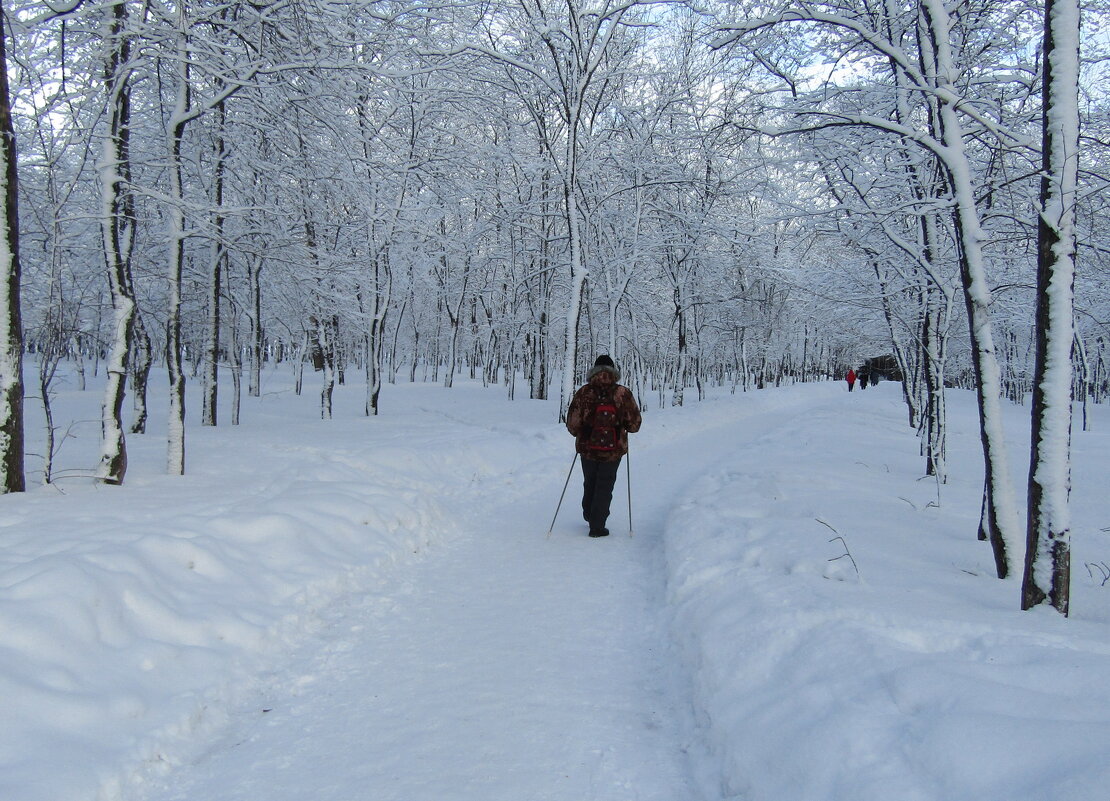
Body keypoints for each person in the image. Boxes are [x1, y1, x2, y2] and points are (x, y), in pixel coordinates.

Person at [566, 355, 642, 538]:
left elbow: (572, 423)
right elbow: (635, 425)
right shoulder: (622, 393)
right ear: (613, 370)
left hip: (587, 448)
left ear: (594, 370)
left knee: (590, 481)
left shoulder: (584, 392)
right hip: (613, 450)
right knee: (605, 485)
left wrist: (581, 433)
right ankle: (597, 525)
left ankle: (588, 513)